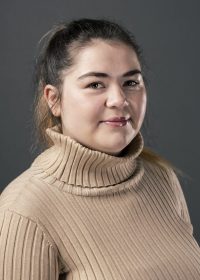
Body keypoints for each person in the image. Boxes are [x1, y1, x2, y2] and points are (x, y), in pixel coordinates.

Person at [0, 18, 200, 280]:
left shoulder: (161, 178)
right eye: (95, 84)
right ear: (54, 100)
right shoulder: (23, 212)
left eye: (131, 82)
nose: (119, 100)